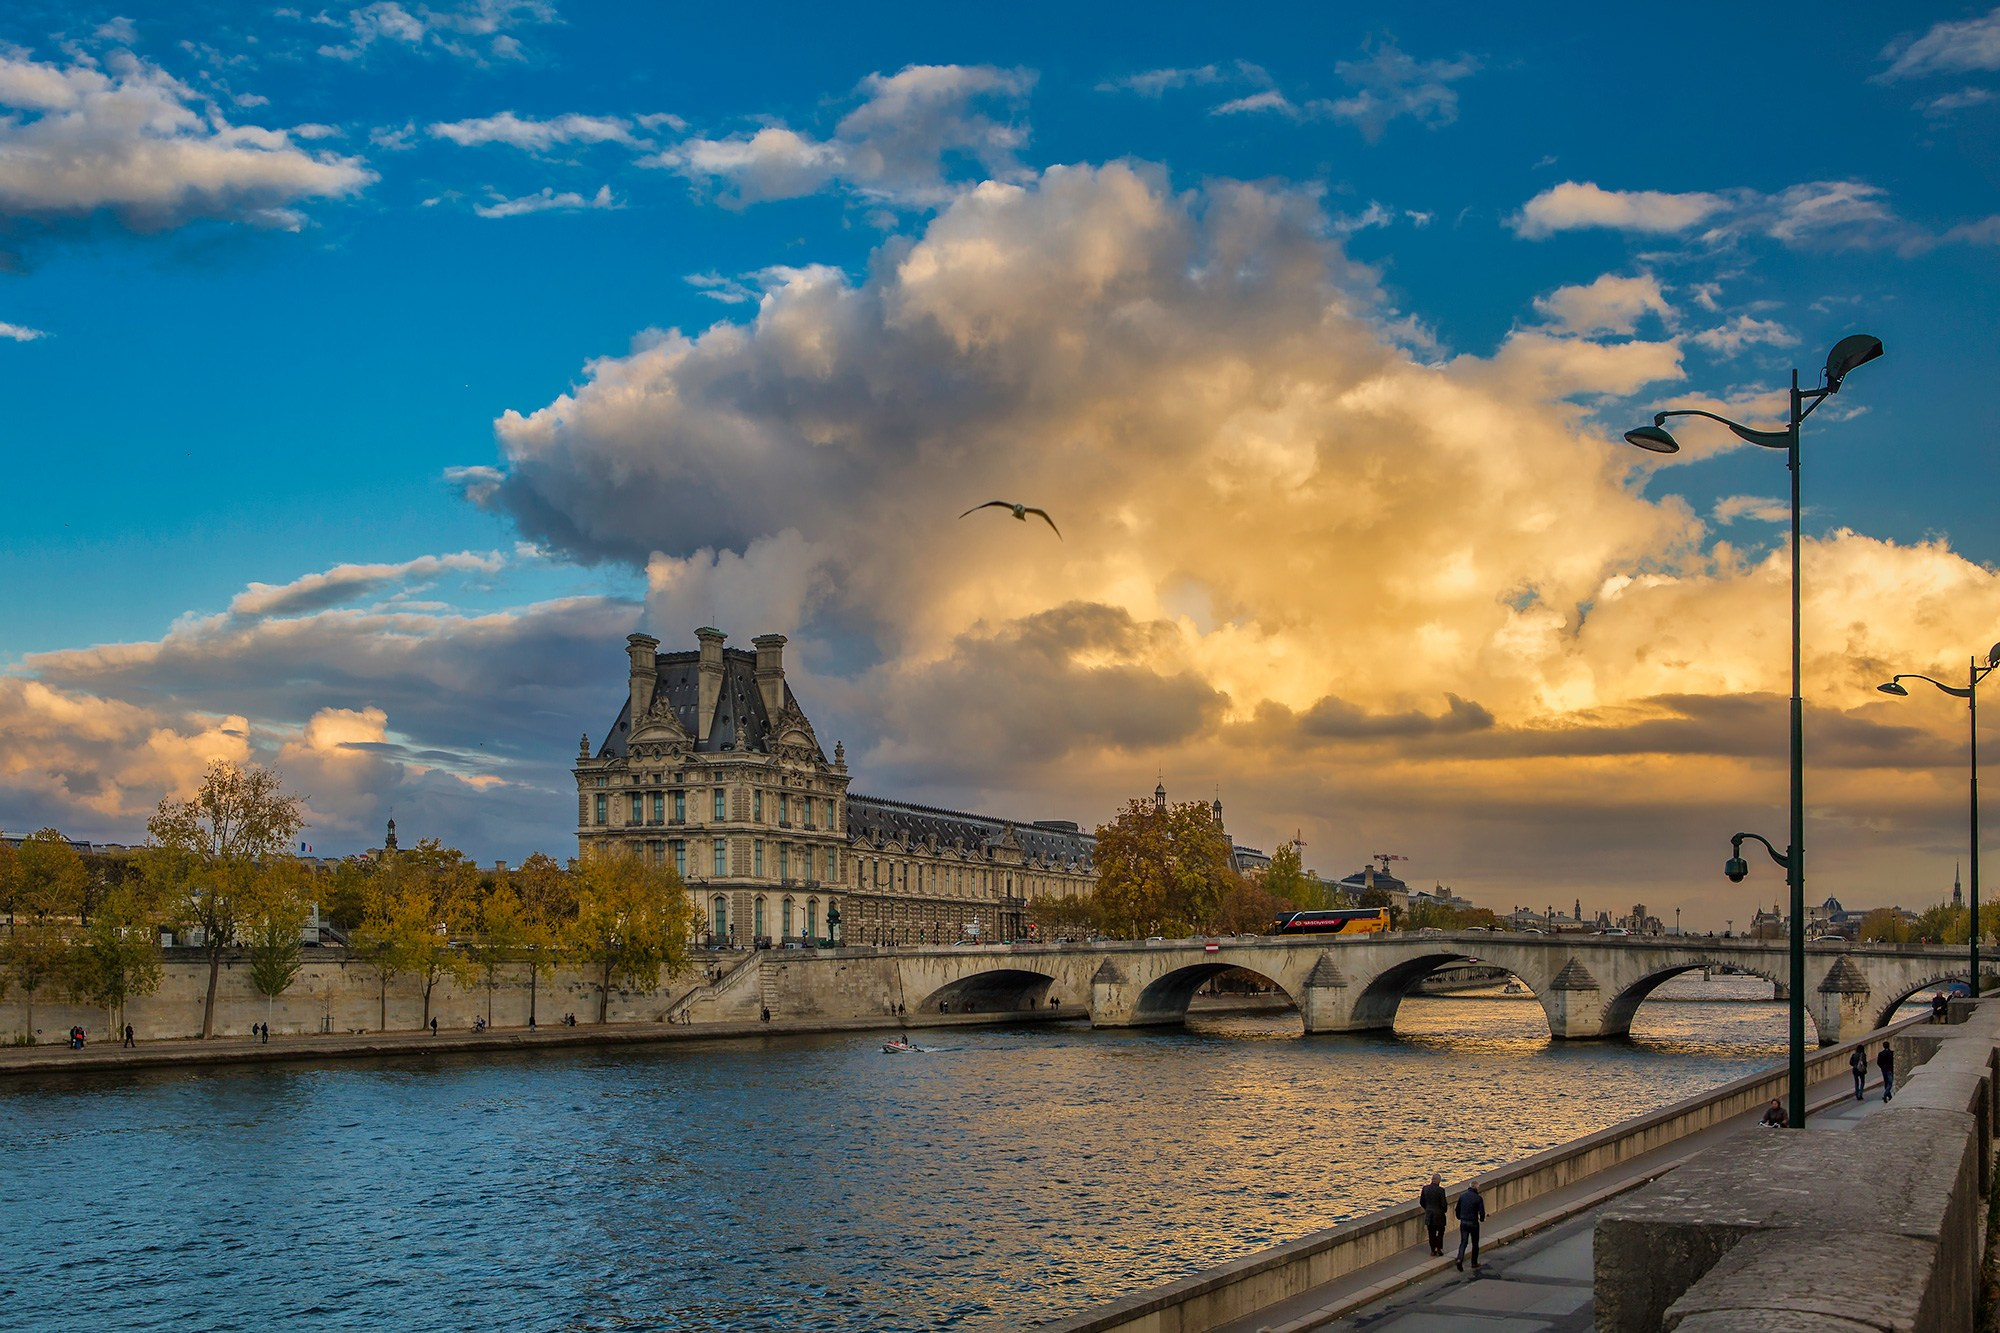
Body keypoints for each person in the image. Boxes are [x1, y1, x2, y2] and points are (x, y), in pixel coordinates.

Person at [1455, 1181, 1485, 1271]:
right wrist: (1482, 1219)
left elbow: (1457, 1209)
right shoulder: (1478, 1198)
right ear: (1477, 1188)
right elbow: (1482, 1212)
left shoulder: (1462, 1196)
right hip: (1473, 1223)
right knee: (1475, 1243)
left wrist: (1459, 1217)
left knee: (1463, 1242)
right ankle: (1474, 1262)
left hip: (1464, 1222)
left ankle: (1459, 1259)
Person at [1419, 1173, 1448, 1256]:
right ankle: (1439, 1248)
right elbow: (1443, 1204)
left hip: (1429, 1214)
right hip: (1439, 1215)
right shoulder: (1441, 1190)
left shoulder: (1425, 1189)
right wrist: (1443, 1211)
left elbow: (1422, 1202)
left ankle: (1432, 1250)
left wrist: (1427, 1209)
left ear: (1432, 1180)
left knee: (1431, 1233)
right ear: (1438, 1181)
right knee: (1440, 1232)